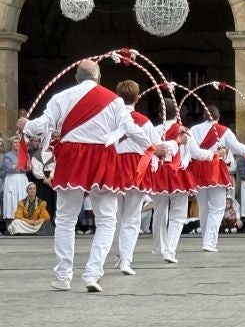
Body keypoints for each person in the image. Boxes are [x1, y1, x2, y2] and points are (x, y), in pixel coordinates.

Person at [19, 59, 167, 292]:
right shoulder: (115, 101)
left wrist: (25, 125)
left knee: (66, 219)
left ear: (76, 78)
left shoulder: (62, 97)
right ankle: (93, 274)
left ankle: (63, 276)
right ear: (99, 79)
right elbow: (130, 129)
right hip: (103, 158)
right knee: (107, 219)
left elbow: (42, 125)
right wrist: (151, 146)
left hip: (72, 158)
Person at [110, 80, 165, 277]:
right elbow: (158, 147)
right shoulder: (142, 120)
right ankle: (126, 259)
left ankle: (118, 254)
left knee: (115, 216)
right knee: (131, 217)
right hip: (135, 167)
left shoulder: (110, 117)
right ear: (137, 97)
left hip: (114, 167)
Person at [149, 98, 213, 264]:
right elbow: (197, 153)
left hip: (160, 174)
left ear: (159, 113)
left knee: (159, 211)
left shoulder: (154, 130)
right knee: (178, 214)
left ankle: (159, 247)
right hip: (178, 174)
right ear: (177, 113)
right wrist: (212, 155)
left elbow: (150, 150)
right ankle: (170, 251)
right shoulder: (184, 131)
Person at [188, 105, 245, 253]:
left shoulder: (194, 130)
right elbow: (236, 147)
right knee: (217, 208)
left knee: (204, 207)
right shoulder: (224, 131)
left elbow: (190, 150)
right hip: (215, 169)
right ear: (218, 117)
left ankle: (206, 239)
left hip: (198, 169)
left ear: (204, 115)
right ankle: (209, 242)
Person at [2, 134, 29, 228]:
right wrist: (19, 166)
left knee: (22, 197)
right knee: (12, 198)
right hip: (12, 178)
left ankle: (23, 222)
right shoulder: (7, 155)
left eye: (18, 142)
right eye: (15, 142)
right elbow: (9, 167)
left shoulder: (24, 154)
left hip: (22, 179)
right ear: (12, 144)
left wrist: (19, 166)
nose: (17, 144)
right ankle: (11, 222)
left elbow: (28, 167)